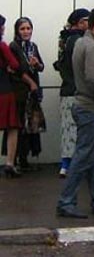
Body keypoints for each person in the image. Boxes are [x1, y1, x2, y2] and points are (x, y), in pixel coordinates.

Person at [56, 8, 94, 219]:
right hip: (91, 107)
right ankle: (66, 201)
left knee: (91, 156)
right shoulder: (91, 46)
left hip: (85, 106)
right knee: (83, 157)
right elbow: (93, 78)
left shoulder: (82, 42)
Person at [54, 8, 90, 178]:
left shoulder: (64, 39)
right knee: (80, 129)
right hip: (78, 90)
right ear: (79, 23)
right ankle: (75, 165)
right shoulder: (80, 41)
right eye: (86, 20)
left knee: (67, 128)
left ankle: (65, 164)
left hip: (66, 89)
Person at [7, 17, 46, 170]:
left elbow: (41, 66)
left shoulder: (33, 46)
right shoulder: (14, 46)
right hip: (20, 91)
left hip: (32, 92)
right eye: (22, 29)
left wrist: (37, 64)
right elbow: (17, 69)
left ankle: (25, 158)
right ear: (17, 30)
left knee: (31, 125)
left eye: (28, 28)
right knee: (19, 124)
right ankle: (16, 158)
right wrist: (31, 82)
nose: (26, 31)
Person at [0, 14, 21, 178]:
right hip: (4, 90)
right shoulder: (2, 46)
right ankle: (9, 163)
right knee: (12, 127)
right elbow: (15, 64)